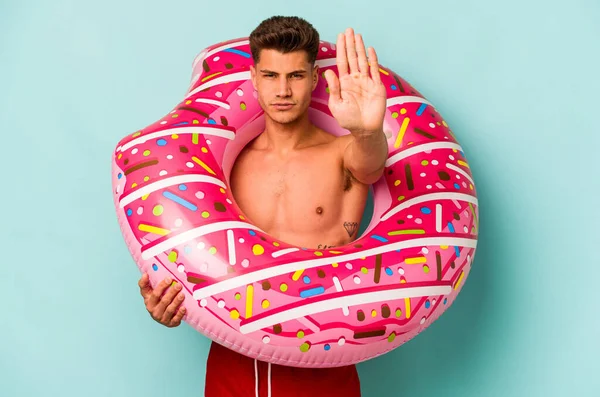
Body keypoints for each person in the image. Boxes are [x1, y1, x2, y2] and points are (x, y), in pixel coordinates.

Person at [137, 16, 388, 397]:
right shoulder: (224, 167)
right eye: (271, 75)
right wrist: (171, 304)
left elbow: (370, 163)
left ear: (315, 79)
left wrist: (368, 129)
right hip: (232, 364)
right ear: (253, 78)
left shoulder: (343, 153)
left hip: (321, 365)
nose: (283, 90)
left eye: (296, 76)